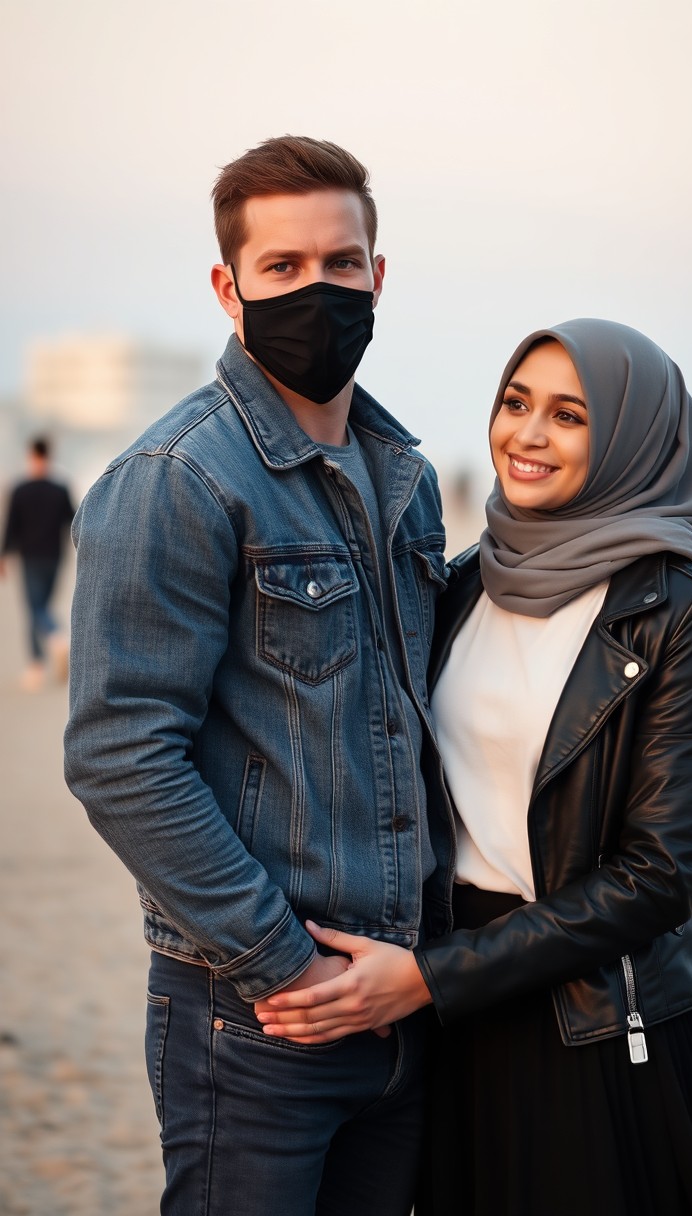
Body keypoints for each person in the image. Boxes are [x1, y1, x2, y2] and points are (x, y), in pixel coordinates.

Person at [257, 319, 692, 1215]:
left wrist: (433, 977)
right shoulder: (468, 579)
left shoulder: (681, 608)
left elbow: (660, 875)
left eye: (570, 415)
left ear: (631, 438)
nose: (527, 435)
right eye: (516, 403)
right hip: (452, 1019)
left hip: (591, 1018)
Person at [64, 136, 454, 1216]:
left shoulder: (404, 480)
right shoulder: (176, 478)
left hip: (398, 1002)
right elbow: (118, 755)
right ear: (227, 288)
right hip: (257, 1016)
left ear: (378, 277)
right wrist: (285, 965)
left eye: (341, 264)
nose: (317, 291)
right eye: (283, 268)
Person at [1, 436, 74, 690]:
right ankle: (49, 648)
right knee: (42, 605)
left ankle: (39, 661)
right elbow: (74, 522)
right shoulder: (60, 488)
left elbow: (11, 526)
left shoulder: (20, 489)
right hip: (55, 557)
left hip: (30, 557)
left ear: (31, 455)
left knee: (35, 608)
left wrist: (3, 556)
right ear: (49, 455)